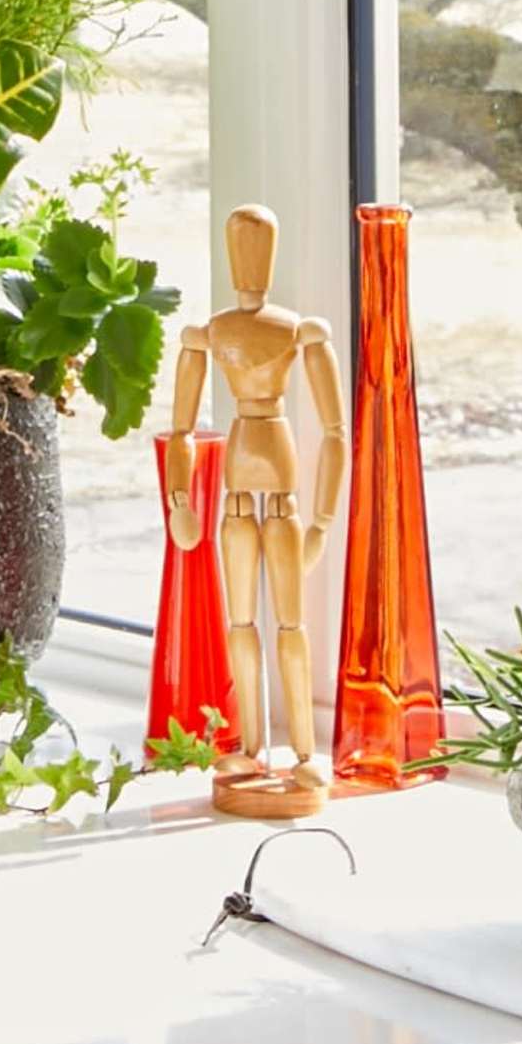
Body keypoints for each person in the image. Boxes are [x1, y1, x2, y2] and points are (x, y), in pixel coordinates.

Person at [170, 205, 345, 817]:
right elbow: (181, 430)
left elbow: (336, 431)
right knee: (241, 623)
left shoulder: (299, 332)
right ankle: (251, 745)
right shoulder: (210, 333)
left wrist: (323, 520)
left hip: (283, 490)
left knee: (289, 626)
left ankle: (302, 750)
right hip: (238, 493)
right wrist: (181, 500)